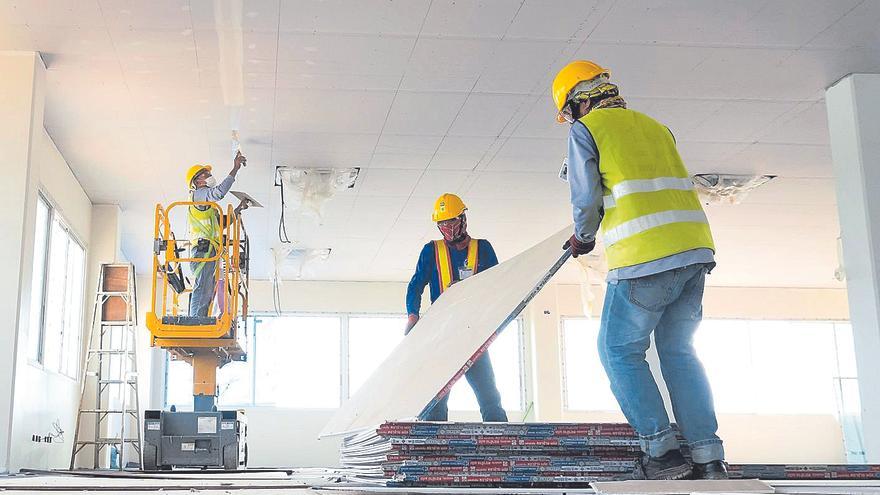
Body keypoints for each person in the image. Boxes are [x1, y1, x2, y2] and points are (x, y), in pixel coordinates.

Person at [551, 60, 726, 480]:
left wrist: (583, 237)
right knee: (679, 352)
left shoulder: (586, 130)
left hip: (645, 255)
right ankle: (708, 457)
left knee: (618, 351)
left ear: (578, 101)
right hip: (693, 252)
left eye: (569, 112)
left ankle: (661, 452)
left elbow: (585, 199)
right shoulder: (655, 126)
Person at [405, 193, 508, 423]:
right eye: (443, 224)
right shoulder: (431, 251)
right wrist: (413, 315)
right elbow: (415, 286)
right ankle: (433, 453)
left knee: (489, 396)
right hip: (442, 337)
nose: (448, 229)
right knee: (436, 402)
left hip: (473, 334)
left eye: (452, 222)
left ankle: (503, 447)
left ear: (463, 219)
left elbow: (498, 286)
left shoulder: (483, 249)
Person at [186, 150, 248, 318]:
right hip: (202, 251)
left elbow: (222, 224)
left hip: (209, 251)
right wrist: (235, 168)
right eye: (207, 174)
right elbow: (219, 193)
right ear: (198, 180)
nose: (210, 176)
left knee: (207, 288)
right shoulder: (198, 195)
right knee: (202, 287)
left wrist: (238, 209)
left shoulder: (208, 206)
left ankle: (199, 319)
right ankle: (195, 322)